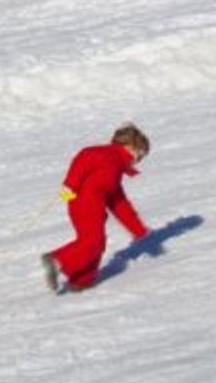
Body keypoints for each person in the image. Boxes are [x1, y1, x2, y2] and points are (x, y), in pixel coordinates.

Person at [41, 123, 150, 294]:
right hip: (84, 204)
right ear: (130, 147)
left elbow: (119, 203)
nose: (139, 160)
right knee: (93, 242)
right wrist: (70, 185)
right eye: (140, 154)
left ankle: (82, 280)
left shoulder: (116, 170)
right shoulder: (107, 154)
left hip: (94, 208)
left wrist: (138, 229)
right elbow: (85, 157)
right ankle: (58, 259)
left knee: (96, 243)